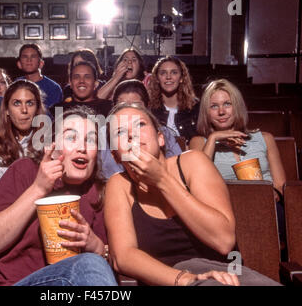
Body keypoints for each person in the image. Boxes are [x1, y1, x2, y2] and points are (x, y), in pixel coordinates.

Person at [104, 102, 280, 286]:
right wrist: (185, 279)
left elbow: (223, 240)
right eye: (120, 132)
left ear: (160, 138)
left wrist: (162, 180)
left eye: (140, 124)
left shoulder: (193, 162)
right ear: (116, 155)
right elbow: (123, 257)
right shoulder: (119, 185)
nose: (132, 134)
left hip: (226, 276)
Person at [0, 106, 117, 286]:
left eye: (91, 140)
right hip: (16, 283)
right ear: (52, 146)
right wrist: (38, 188)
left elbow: (111, 264)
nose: (82, 147)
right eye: (70, 137)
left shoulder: (98, 191)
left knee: (91, 262)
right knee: (89, 263)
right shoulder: (25, 171)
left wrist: (96, 246)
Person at [189, 79, 286, 242]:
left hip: (266, 207)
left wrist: (269, 194)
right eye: (214, 106)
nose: (221, 111)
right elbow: (198, 182)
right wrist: (213, 139)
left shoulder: (265, 138)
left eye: (227, 104)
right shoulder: (200, 142)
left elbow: (281, 185)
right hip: (225, 211)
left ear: (237, 106)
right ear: (206, 112)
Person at [100, 79, 182, 180]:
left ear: (147, 107)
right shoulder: (103, 134)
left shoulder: (163, 132)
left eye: (136, 105)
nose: (129, 110)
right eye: (122, 105)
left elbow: (178, 167)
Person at [0, 79, 45, 181]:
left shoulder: (50, 143)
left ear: (37, 108)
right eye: (17, 103)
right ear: (7, 110)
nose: (24, 110)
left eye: (30, 103)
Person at [148, 56, 200, 147]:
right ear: (157, 79)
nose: (168, 77)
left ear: (181, 78)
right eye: (163, 73)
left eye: (174, 72)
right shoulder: (149, 109)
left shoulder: (196, 108)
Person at [16, 43, 63, 110]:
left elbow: (58, 116)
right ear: (19, 64)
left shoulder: (53, 88)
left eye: (33, 56)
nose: (29, 60)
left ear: (41, 64)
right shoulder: (15, 85)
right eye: (25, 57)